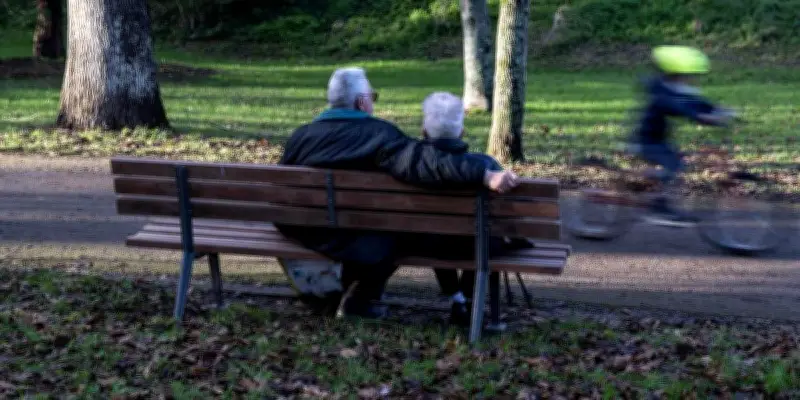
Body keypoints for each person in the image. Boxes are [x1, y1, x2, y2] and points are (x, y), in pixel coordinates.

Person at [276, 67, 520, 320]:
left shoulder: (301, 136)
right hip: (356, 237)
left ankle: (342, 297)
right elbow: (424, 162)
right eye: (372, 96)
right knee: (404, 227)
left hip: (305, 228)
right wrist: (485, 174)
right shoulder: (379, 135)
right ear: (361, 102)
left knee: (383, 225)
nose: (372, 101)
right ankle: (360, 298)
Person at [418, 92, 535, 326]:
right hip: (476, 246)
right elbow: (510, 214)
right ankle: (469, 298)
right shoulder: (485, 165)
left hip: (428, 244)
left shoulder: (411, 163)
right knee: (481, 234)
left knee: (438, 231)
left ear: (423, 131)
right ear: (461, 132)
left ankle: (458, 298)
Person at [629, 45, 736, 226]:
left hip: (658, 139)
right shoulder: (661, 93)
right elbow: (680, 107)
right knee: (674, 165)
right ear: (674, 73)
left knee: (677, 161)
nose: (691, 80)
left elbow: (695, 101)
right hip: (645, 140)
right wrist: (702, 117)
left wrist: (717, 110)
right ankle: (658, 207)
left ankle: (649, 182)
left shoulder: (671, 87)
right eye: (687, 75)